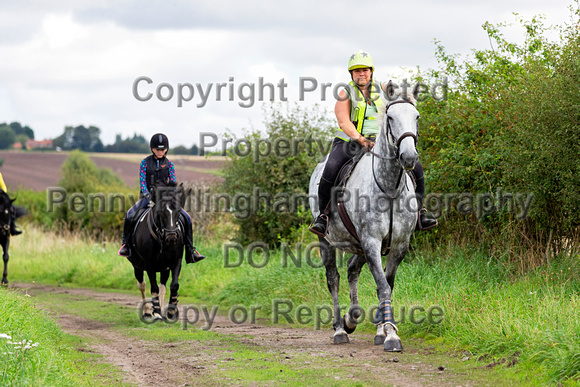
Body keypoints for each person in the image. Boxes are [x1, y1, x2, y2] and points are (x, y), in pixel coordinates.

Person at [309, 50, 437, 237]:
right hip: (350, 141)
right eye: (357, 71)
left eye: (365, 70)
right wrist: (361, 139)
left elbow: (400, 102)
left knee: (416, 167)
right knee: (332, 167)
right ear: (351, 74)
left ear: (371, 71)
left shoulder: (383, 89)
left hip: (380, 142)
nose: (362, 74)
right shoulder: (346, 93)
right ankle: (323, 217)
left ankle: (420, 212)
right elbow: (344, 122)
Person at [118, 133, 205, 263]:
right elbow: (142, 183)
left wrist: (173, 196)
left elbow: (172, 183)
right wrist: (148, 196)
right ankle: (126, 245)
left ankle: (190, 250)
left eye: (163, 149)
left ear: (166, 149)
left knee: (187, 218)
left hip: (165, 200)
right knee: (129, 214)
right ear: (152, 149)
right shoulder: (145, 163)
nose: (160, 151)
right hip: (147, 198)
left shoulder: (170, 165)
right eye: (158, 149)